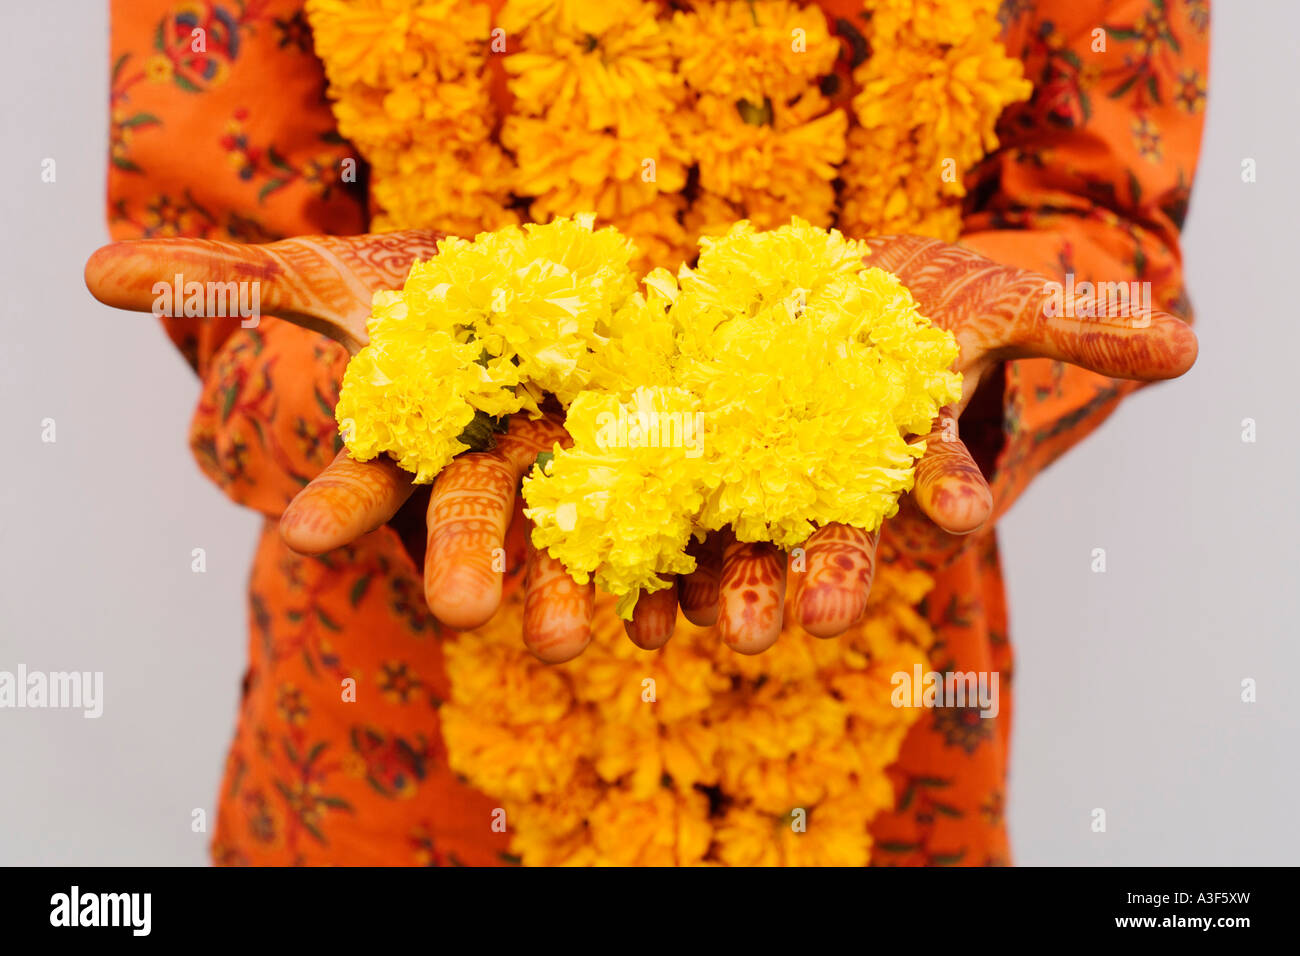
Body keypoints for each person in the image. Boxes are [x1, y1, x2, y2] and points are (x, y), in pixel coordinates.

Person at [85, 0, 1207, 865]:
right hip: (396, 721)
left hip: (877, 685)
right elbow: (219, 263)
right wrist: (405, 389)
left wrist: (912, 363)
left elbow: (1102, 213)